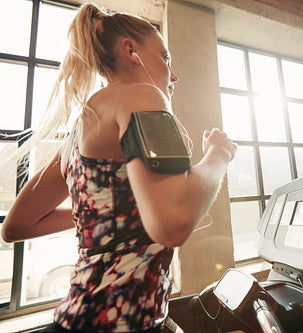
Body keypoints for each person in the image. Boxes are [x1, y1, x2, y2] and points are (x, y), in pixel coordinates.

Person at [1, 3, 237, 333]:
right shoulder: (143, 96)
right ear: (131, 51)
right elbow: (173, 223)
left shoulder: (79, 131)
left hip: (77, 319)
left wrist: (109, 217)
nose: (173, 73)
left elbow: (15, 226)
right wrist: (218, 154)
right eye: (165, 57)